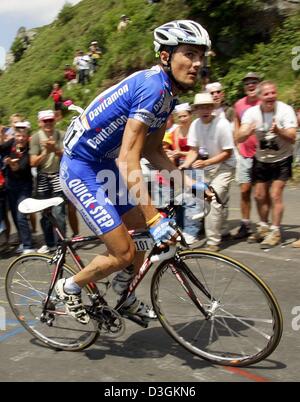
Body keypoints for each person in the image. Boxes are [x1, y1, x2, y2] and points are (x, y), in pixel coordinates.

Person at [56, 19, 211, 324]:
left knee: (141, 233)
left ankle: (124, 295)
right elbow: (129, 158)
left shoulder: (168, 95)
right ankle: (69, 287)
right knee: (124, 252)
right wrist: (155, 218)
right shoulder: (153, 89)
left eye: (200, 56)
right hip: (80, 167)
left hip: (104, 164)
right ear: (166, 56)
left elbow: (153, 151)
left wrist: (189, 183)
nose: (197, 63)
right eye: (189, 54)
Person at [237, 81, 297, 248]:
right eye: (266, 94)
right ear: (259, 97)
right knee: (259, 195)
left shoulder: (285, 110)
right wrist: (246, 132)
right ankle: (264, 227)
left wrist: (279, 131)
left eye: (273, 93)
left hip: (282, 159)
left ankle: (276, 231)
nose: (270, 96)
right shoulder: (252, 113)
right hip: (262, 159)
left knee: (275, 194)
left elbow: (292, 136)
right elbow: (239, 135)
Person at [180, 92, 236, 252]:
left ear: (212, 108)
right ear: (196, 110)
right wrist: (185, 165)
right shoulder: (195, 125)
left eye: (207, 107)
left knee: (213, 197)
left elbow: (228, 153)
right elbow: (193, 150)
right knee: (218, 199)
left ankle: (212, 242)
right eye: (201, 107)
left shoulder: (222, 124)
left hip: (225, 165)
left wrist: (205, 162)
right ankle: (223, 230)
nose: (204, 110)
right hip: (207, 167)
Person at [29, 110, 66, 254]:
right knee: (45, 214)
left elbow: (67, 155)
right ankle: (49, 242)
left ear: (54, 120)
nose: (48, 123)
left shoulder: (61, 135)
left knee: (59, 213)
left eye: (50, 120)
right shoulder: (36, 138)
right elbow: (32, 162)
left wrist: (54, 149)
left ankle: (61, 243)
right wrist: (45, 151)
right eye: (45, 121)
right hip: (43, 176)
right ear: (40, 123)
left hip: (58, 175)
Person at [233, 72, 262, 239]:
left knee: (261, 194)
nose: (251, 85)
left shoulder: (264, 103)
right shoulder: (239, 105)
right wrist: (237, 144)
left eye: (254, 82)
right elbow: (236, 124)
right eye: (247, 83)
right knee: (244, 190)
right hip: (244, 153)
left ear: (259, 84)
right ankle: (245, 224)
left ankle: (264, 226)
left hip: (262, 155)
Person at [0, 121, 35, 254]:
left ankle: (28, 246)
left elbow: (22, 167)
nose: (20, 138)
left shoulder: (30, 148)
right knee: (15, 216)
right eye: (18, 135)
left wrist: (12, 165)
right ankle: (23, 241)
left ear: (27, 137)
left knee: (21, 215)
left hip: (24, 186)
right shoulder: (11, 143)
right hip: (10, 185)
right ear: (14, 136)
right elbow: (1, 148)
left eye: (23, 136)